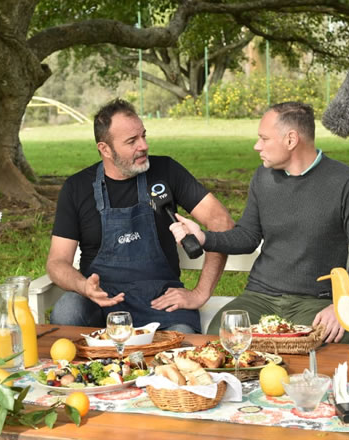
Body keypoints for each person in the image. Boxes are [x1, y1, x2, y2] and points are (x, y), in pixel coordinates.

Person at [170, 102, 349, 341]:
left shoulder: (346, 182)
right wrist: (204, 238)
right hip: (260, 296)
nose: (257, 146)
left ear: (291, 140)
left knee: (327, 342)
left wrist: (343, 304)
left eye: (264, 138)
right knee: (223, 333)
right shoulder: (263, 177)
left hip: (315, 302)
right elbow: (248, 237)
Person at [46, 99, 233, 334]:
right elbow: (57, 262)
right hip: (102, 303)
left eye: (143, 136)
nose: (143, 146)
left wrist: (200, 293)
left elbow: (222, 221)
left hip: (162, 302)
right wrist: (83, 286)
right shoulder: (77, 188)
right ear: (105, 149)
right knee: (67, 311)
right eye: (132, 141)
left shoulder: (165, 171)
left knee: (183, 342)